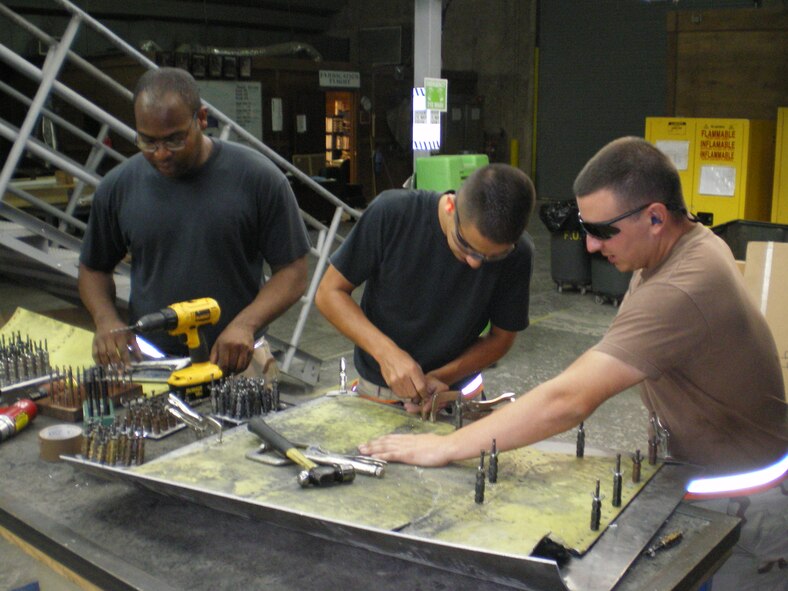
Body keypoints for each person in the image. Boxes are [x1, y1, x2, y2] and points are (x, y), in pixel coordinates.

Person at [360, 137, 787, 591]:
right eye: (586, 227)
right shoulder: (677, 250)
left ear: (656, 217)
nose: (590, 245)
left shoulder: (682, 286)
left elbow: (571, 399)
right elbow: (597, 365)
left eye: (602, 230)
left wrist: (445, 447)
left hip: (743, 507)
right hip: (708, 481)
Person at [78, 67, 310, 374]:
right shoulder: (118, 187)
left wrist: (246, 324)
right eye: (148, 141)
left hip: (237, 359)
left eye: (174, 140)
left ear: (201, 118)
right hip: (153, 362)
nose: (161, 154)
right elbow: (93, 268)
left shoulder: (257, 178)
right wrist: (105, 319)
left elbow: (293, 272)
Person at [315, 163, 535, 406]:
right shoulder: (393, 213)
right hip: (381, 393)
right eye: (465, 245)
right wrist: (386, 353)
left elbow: (501, 338)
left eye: (492, 257)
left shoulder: (518, 254)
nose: (475, 263)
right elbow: (329, 292)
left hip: (457, 395)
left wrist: (442, 377)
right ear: (451, 205)